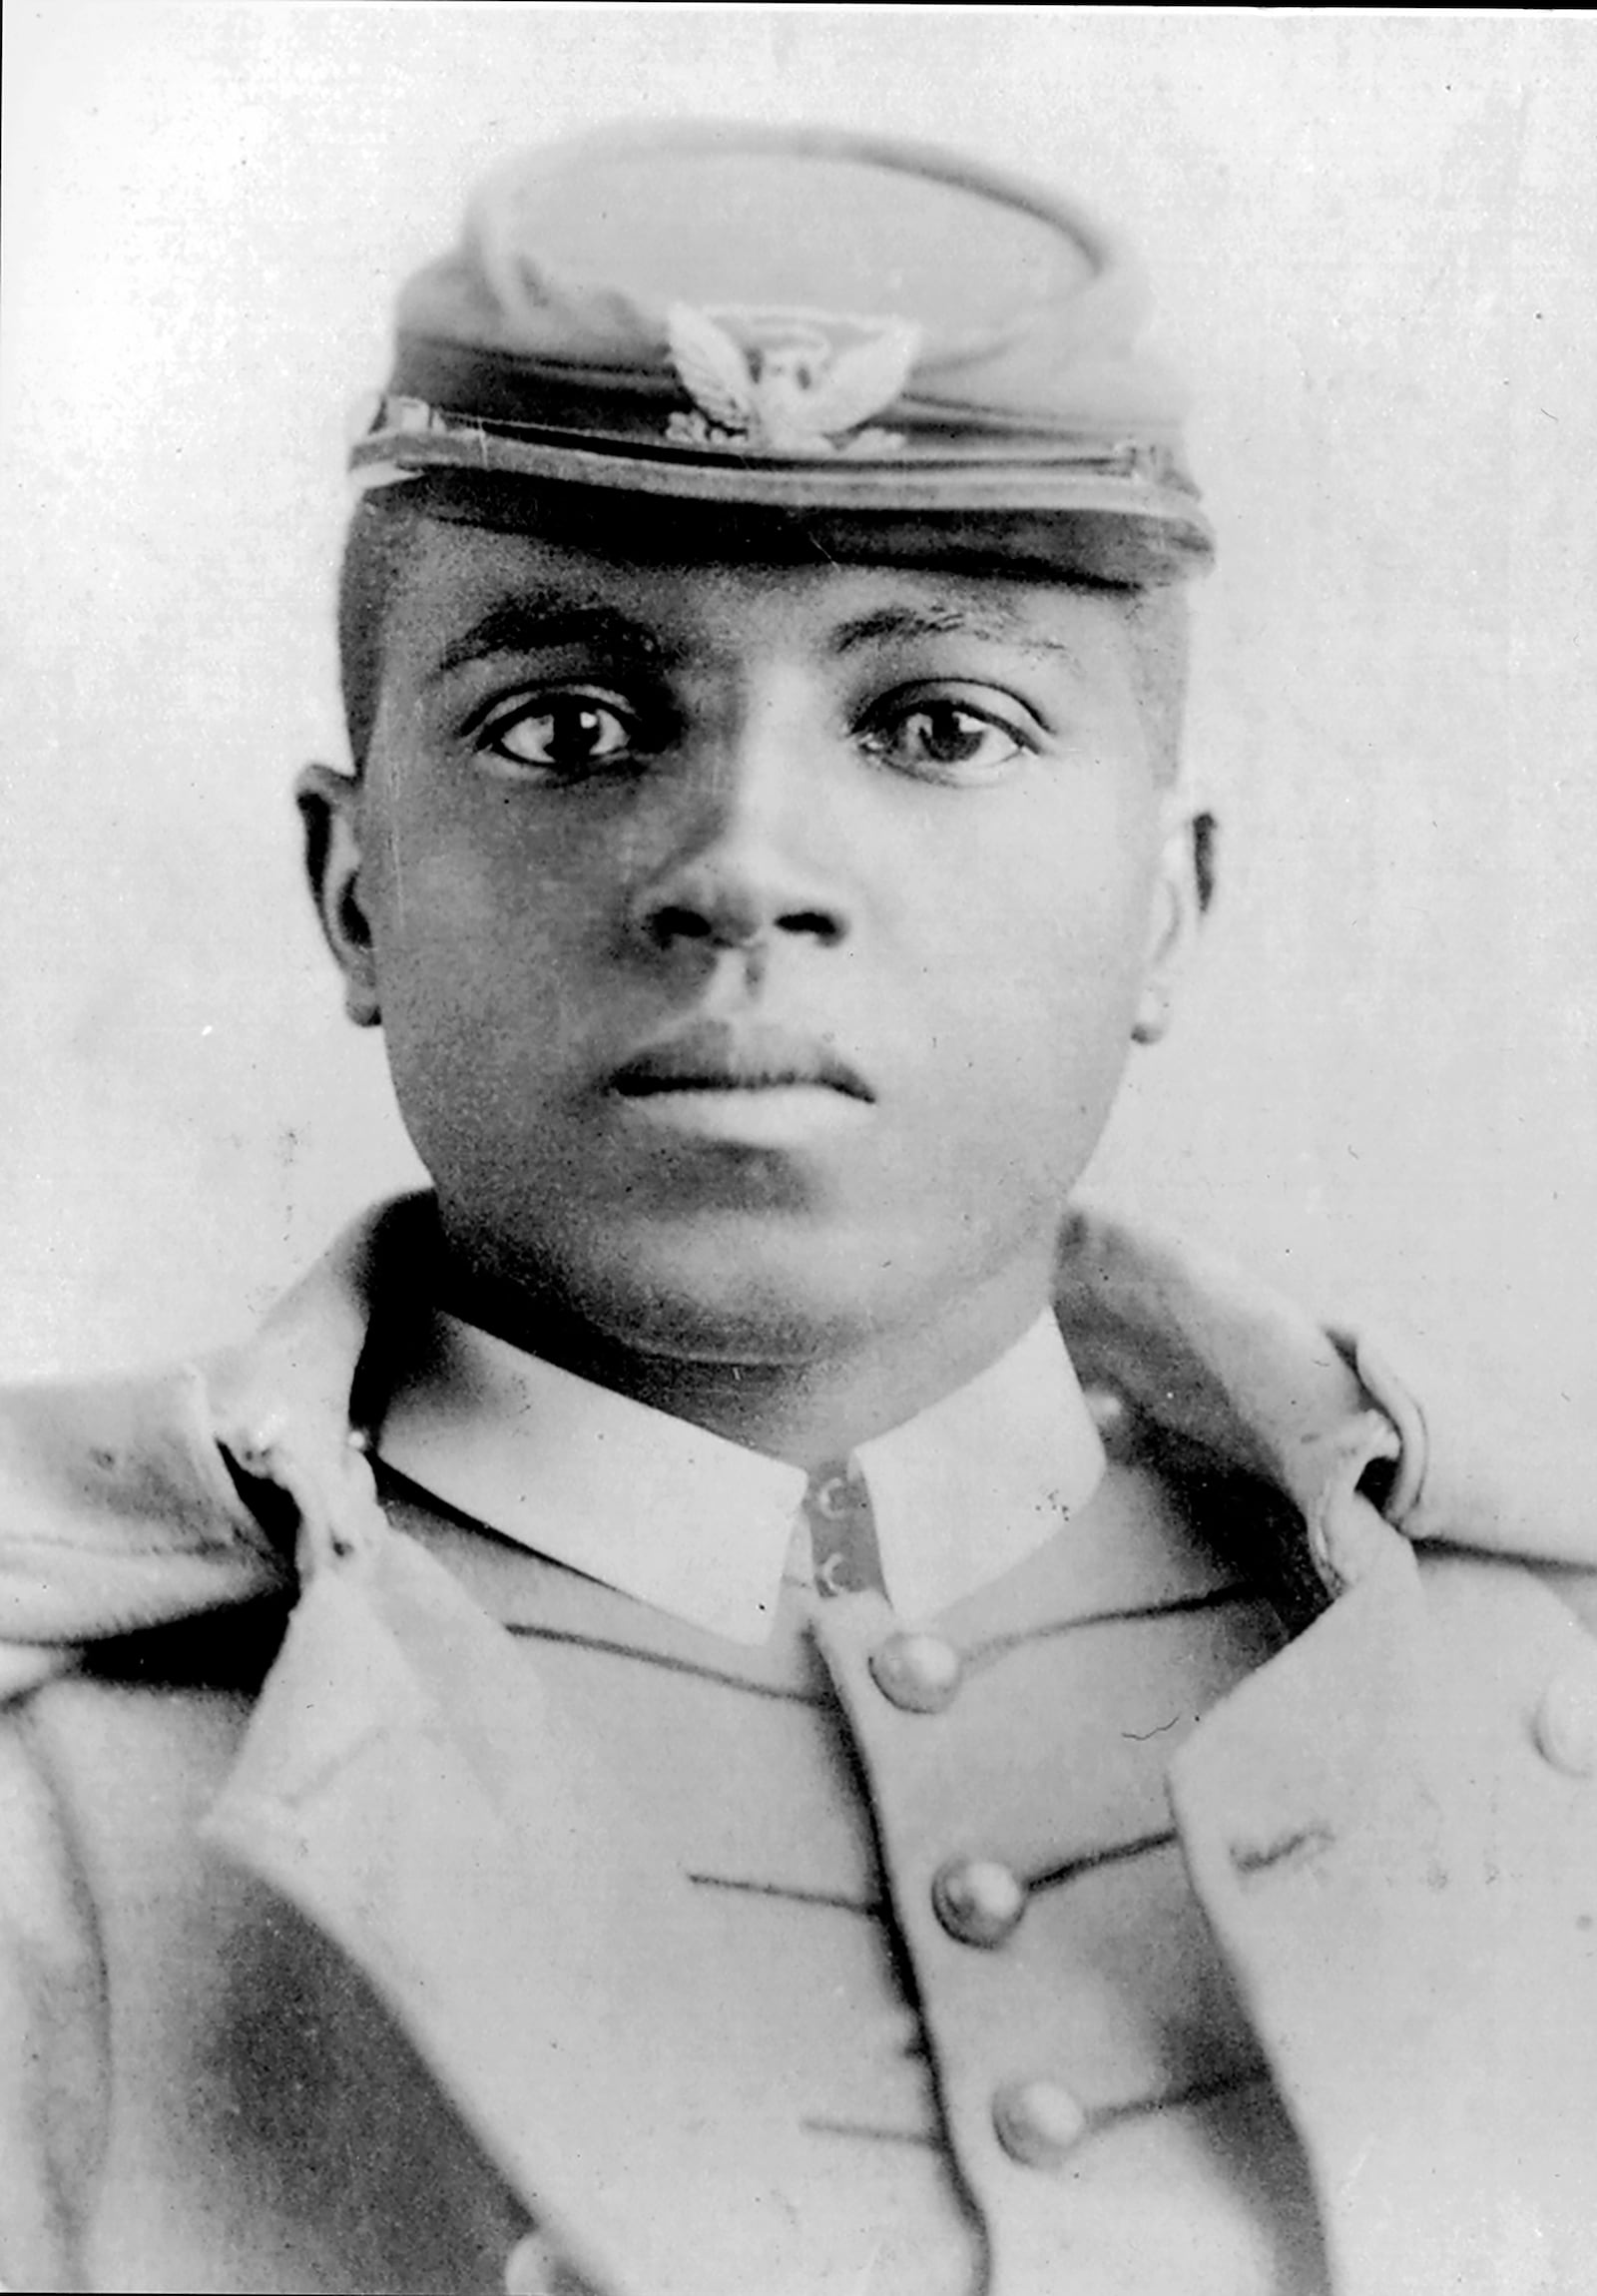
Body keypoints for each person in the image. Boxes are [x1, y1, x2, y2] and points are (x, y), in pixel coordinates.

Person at [1, 117, 1593, 2296]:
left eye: (935, 723)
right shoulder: (50, 1820)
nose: (742, 863)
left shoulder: (1522, 1706)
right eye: (566, 724)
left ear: (1166, 909)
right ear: (348, 882)